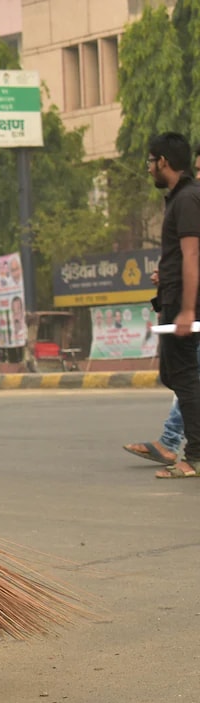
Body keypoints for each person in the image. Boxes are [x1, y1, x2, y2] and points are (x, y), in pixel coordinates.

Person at [145, 132, 200, 480]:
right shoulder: (181, 198)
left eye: (150, 162)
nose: (149, 169)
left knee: (185, 376)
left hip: (183, 303)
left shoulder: (188, 199)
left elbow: (193, 253)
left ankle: (193, 456)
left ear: (164, 161)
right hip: (173, 296)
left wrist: (188, 309)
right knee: (175, 374)